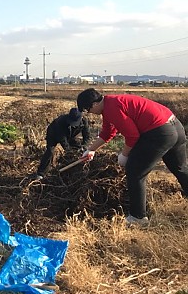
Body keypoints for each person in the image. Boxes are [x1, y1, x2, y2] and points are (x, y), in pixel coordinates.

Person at [77, 88, 188, 227]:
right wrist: (90, 150)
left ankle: (138, 217)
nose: (89, 113)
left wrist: (124, 155)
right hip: (175, 126)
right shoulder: (111, 103)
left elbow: (132, 136)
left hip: (159, 132)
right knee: (180, 168)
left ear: (93, 105)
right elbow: (107, 133)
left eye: (87, 110)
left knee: (135, 171)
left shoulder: (111, 109)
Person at [32, 108, 91, 180]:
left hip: (70, 135)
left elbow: (87, 136)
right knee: (50, 151)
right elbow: (62, 139)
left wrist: (84, 146)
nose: (73, 124)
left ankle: (72, 171)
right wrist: (68, 150)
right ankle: (41, 173)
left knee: (78, 149)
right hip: (53, 133)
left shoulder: (84, 121)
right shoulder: (61, 121)